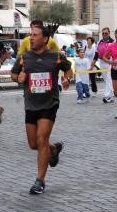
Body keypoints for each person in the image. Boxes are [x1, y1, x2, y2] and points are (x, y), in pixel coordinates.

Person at [11, 25, 73, 194]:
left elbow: (68, 69)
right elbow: (13, 74)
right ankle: (53, 149)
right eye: (30, 35)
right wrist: (19, 78)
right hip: (31, 104)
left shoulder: (56, 56)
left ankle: (40, 181)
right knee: (33, 144)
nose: (30, 38)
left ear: (45, 39)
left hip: (49, 103)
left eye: (35, 35)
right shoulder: (24, 57)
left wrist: (67, 79)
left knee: (41, 138)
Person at [96, 27, 114, 103]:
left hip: (110, 61)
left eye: (106, 33)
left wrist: (112, 62)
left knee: (109, 79)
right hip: (102, 62)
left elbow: (115, 52)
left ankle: (106, 95)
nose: (104, 35)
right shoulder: (99, 42)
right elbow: (96, 54)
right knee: (106, 80)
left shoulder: (113, 42)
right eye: (103, 33)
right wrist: (92, 64)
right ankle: (111, 95)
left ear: (109, 33)